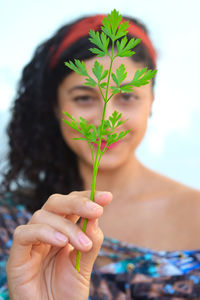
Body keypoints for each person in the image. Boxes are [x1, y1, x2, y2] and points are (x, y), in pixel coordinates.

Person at [0, 12, 200, 300]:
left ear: (152, 103)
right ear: (56, 107)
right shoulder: (13, 222)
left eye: (127, 97)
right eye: (83, 98)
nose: (107, 119)